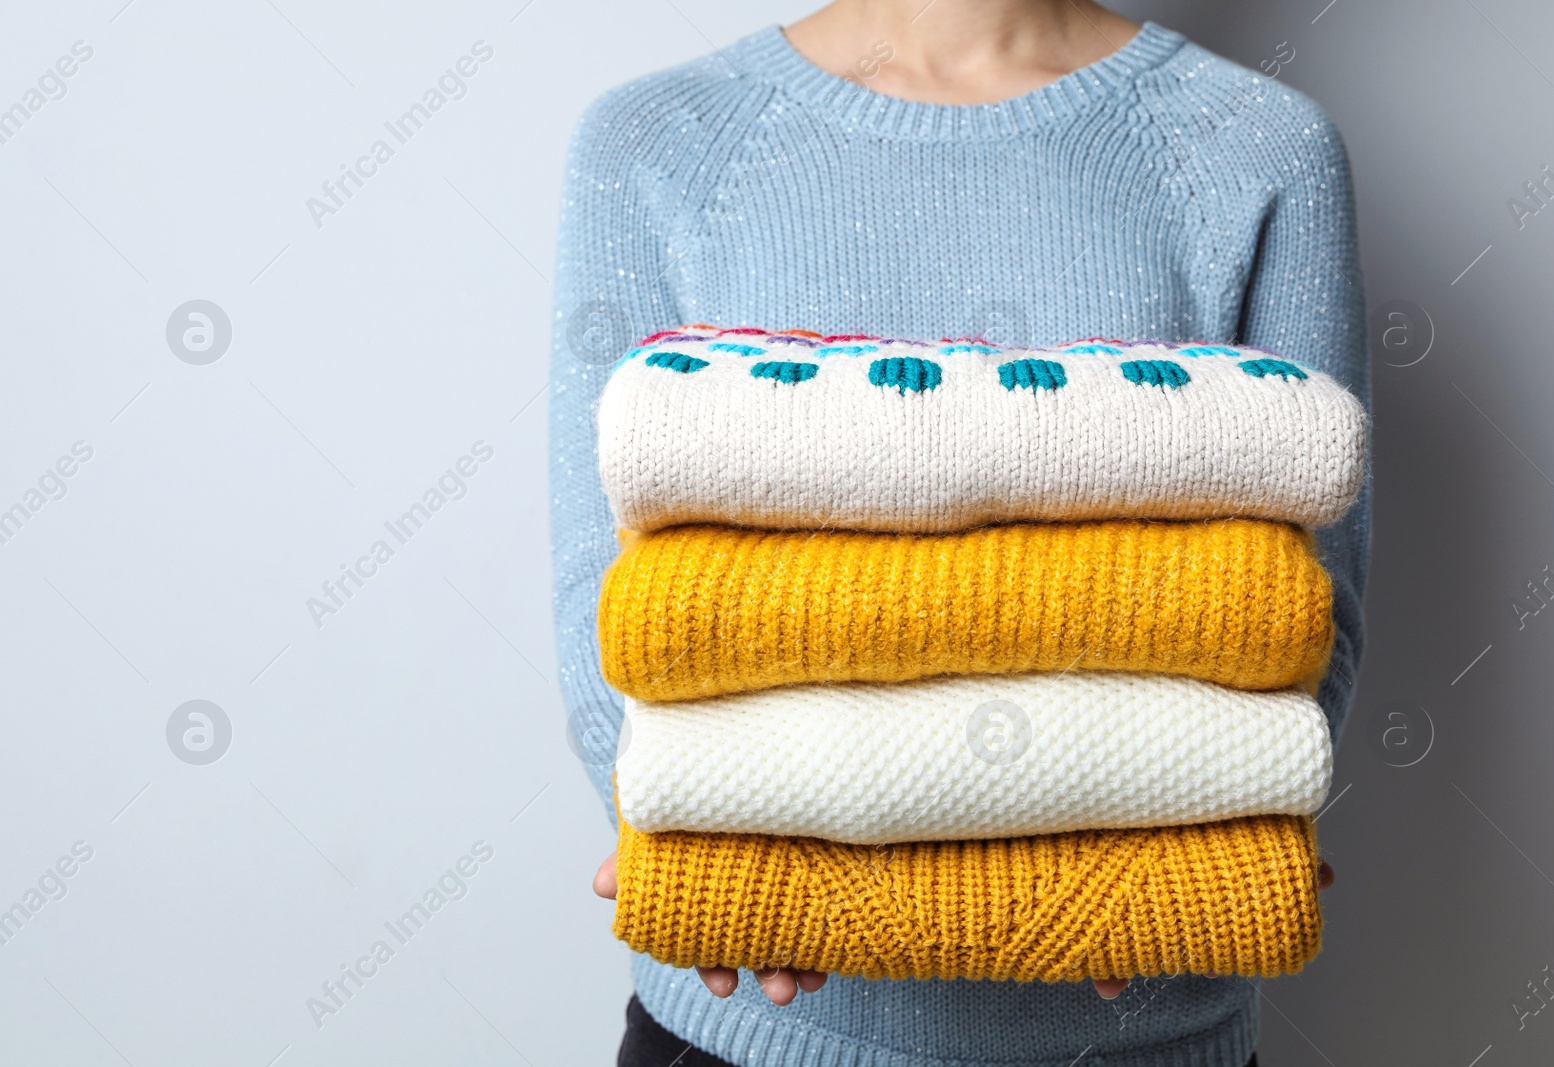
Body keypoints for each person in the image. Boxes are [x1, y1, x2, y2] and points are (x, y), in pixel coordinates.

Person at [550, 1, 1369, 1063]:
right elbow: (609, 603)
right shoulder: (656, 142)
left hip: (1142, 1037)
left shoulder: (1260, 143)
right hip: (752, 1031)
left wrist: (1138, 886)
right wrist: (754, 881)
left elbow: (1301, 620)